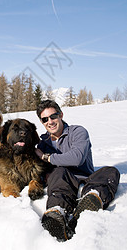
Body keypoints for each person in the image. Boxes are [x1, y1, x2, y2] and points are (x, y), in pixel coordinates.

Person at [35, 100, 120, 242]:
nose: (50, 121)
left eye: (53, 116)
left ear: (61, 115)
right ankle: (57, 214)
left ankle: (91, 199)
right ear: (42, 122)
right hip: (62, 181)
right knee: (59, 172)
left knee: (111, 171)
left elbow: (77, 158)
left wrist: (47, 158)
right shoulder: (43, 143)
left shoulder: (77, 132)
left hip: (86, 179)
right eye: (45, 119)